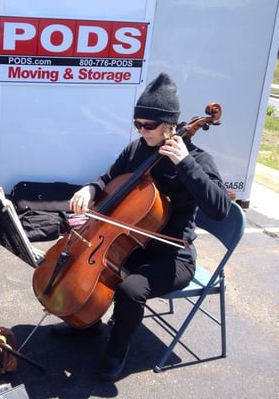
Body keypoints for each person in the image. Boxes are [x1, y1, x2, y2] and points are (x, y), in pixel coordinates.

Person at [53, 72, 232, 381]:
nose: (141, 131)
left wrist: (185, 164)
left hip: (172, 257)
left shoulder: (197, 160)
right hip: (132, 243)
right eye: (137, 124)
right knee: (88, 263)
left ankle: (116, 351)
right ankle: (85, 320)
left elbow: (219, 208)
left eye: (148, 126)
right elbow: (109, 178)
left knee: (130, 288)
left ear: (171, 126)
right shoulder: (137, 150)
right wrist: (90, 190)